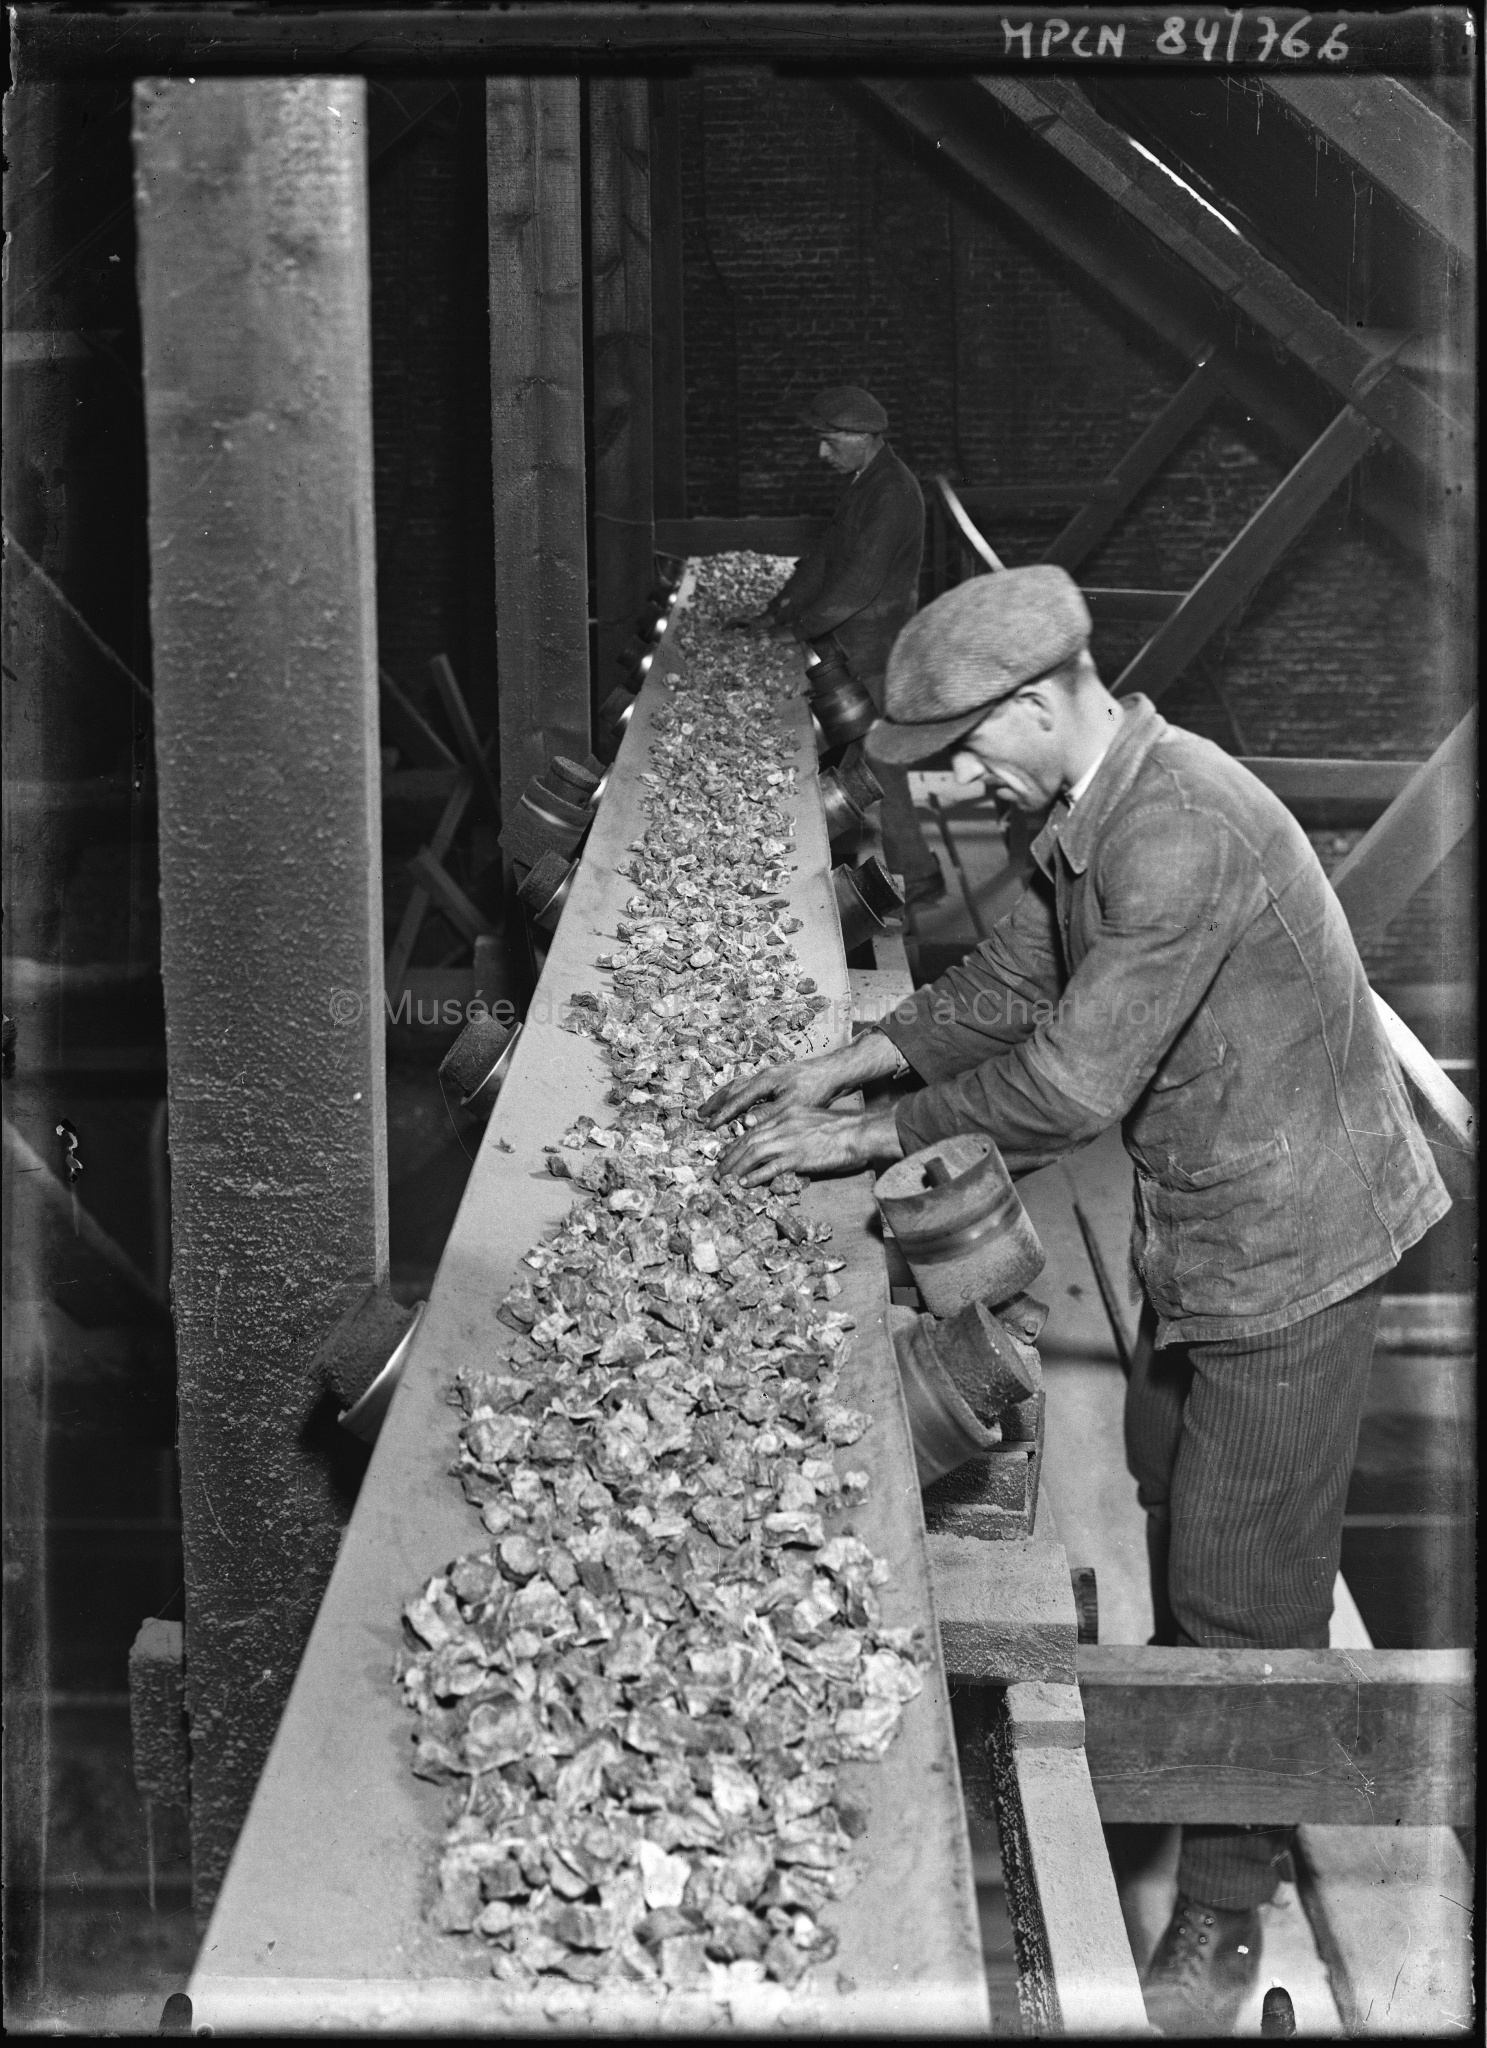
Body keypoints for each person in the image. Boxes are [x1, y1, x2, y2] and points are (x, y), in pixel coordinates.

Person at [701, 564, 1449, 2038]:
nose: (965, 781)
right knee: (1172, 1485)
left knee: (1241, 1586)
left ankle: (1223, 1916)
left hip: (1292, 1237)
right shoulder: (1091, 815)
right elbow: (1004, 983)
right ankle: (1195, 1734)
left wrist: (869, 1142)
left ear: (1042, 703)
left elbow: (1065, 1082)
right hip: (1204, 1213)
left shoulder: (1170, 833)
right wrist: (854, 1062)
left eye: (973, 748)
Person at [726, 384, 944, 906]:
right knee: (860, 763)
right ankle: (866, 867)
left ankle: (916, 877)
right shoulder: (867, 482)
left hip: (872, 646)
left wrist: (795, 630)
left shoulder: (892, 493)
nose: (821, 454)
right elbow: (827, 557)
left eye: (828, 441)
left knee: (880, 762)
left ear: (861, 437)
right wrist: (777, 610)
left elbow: (857, 583)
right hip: (851, 642)